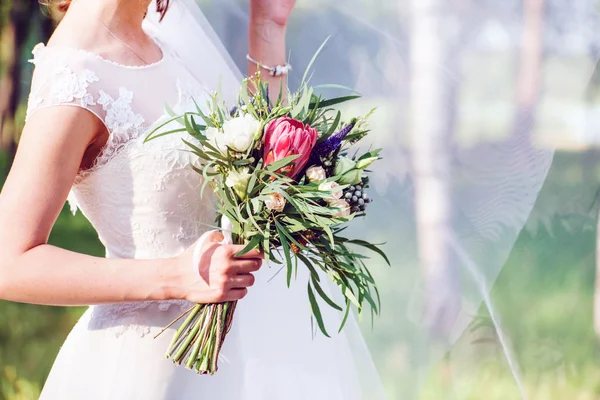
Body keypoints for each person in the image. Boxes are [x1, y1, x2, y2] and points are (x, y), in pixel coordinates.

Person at [0, 0, 385, 398]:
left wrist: (268, 24)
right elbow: (9, 262)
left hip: (244, 347)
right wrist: (177, 276)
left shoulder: (163, 37)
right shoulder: (74, 77)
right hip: (156, 363)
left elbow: (258, 155)